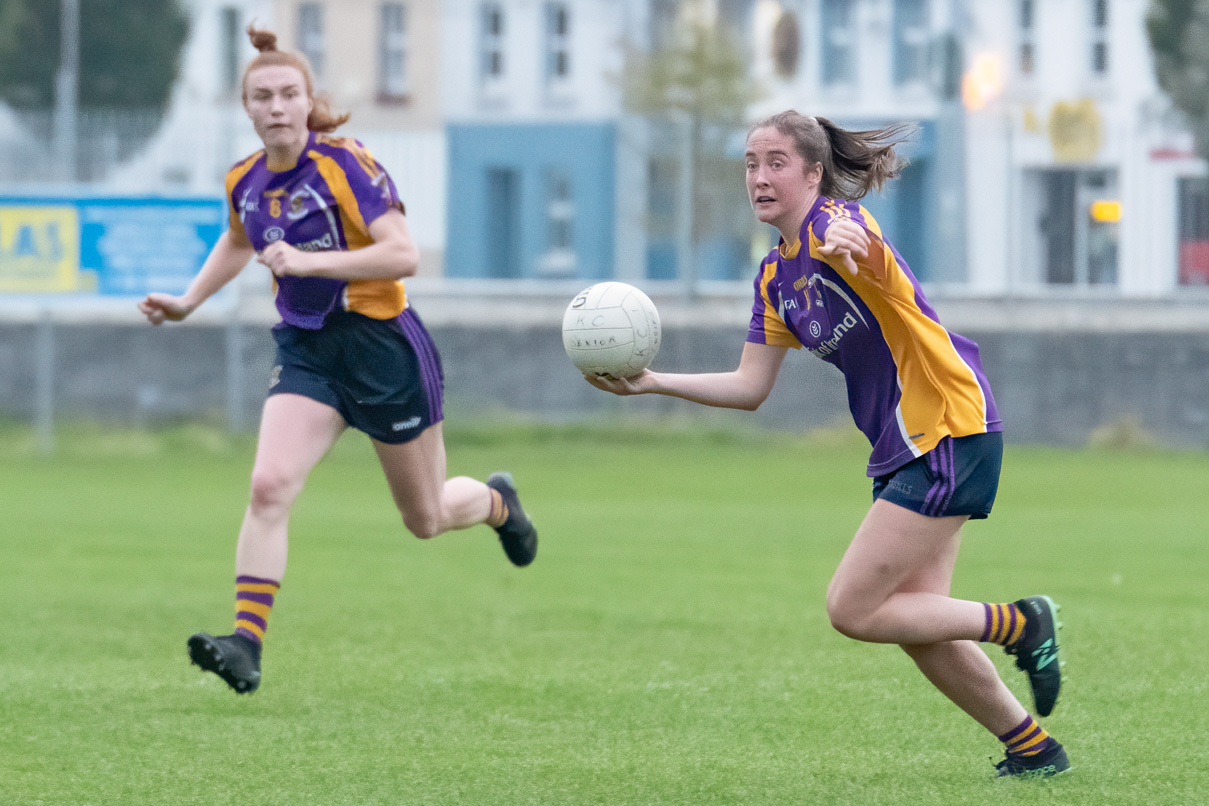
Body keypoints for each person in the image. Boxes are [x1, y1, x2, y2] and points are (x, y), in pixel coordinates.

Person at [586, 110, 1068, 778]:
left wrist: (847, 240)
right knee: (915, 621)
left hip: (948, 424)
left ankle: (1020, 623)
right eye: (750, 162)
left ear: (813, 173)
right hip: (906, 443)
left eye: (775, 162)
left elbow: (857, 241)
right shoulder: (773, 279)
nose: (759, 176)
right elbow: (749, 386)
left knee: (853, 608)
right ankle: (1032, 749)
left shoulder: (836, 226)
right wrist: (651, 384)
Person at [138, 25, 537, 695]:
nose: (275, 106)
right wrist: (188, 300)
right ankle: (245, 643)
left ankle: (497, 502)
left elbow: (402, 253)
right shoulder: (245, 179)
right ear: (248, 108)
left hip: (382, 349)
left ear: (306, 101)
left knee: (425, 519)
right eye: (261, 96)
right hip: (308, 351)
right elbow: (239, 240)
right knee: (268, 486)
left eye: (288, 94)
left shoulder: (345, 163)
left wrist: (311, 262)